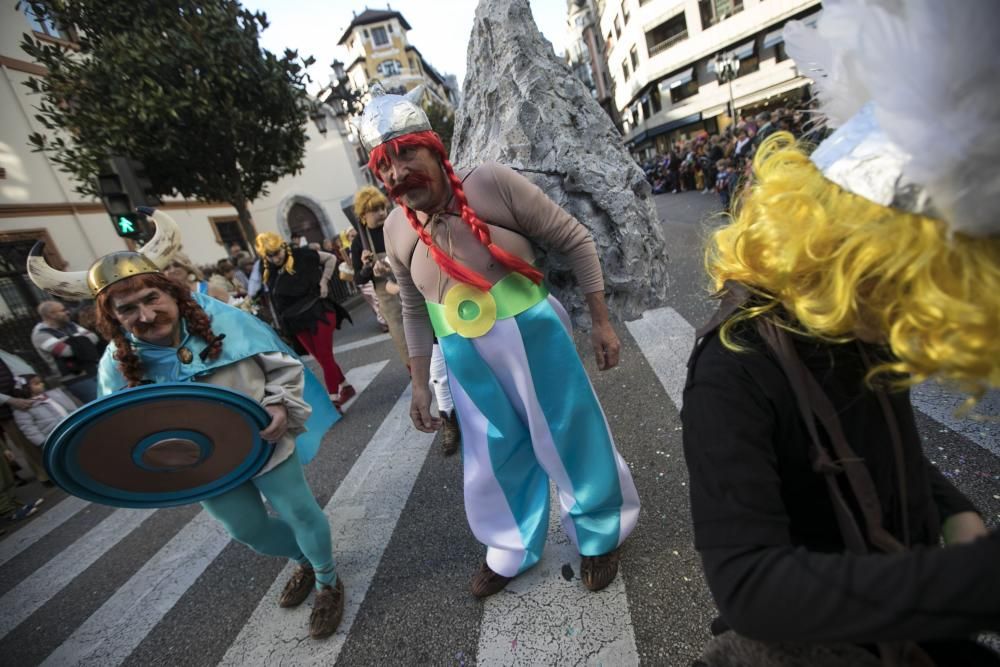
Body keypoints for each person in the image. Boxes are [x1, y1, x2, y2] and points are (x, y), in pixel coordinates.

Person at [683, 4, 1000, 665]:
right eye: (906, 286)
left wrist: (954, 507)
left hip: (904, 610)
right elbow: (749, 584)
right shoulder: (732, 365)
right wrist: (972, 583)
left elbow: (885, 450)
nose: (914, 315)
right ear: (854, 257)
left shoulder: (860, 321)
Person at [361, 86, 640, 597]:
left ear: (435, 147)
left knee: (568, 430)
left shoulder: (489, 183)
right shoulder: (396, 227)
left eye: (407, 154)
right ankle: (511, 545)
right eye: (384, 165)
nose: (397, 172)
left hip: (534, 335)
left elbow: (574, 239)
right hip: (464, 355)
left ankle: (601, 531)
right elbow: (413, 305)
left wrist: (602, 323)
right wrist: (420, 383)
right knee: (493, 452)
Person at [26, 208, 345, 640]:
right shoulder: (116, 364)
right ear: (114, 318)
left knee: (300, 511)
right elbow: (116, 429)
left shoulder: (224, 321)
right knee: (247, 530)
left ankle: (327, 580)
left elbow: (282, 365)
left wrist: (280, 406)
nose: (144, 314)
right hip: (202, 463)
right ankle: (304, 559)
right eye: (128, 309)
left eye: (151, 299)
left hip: (263, 441)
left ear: (171, 294)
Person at [255, 233, 355, 409]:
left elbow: (331, 259)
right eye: (270, 255)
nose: (275, 258)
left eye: (277, 252)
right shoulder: (269, 272)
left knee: (325, 356)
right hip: (296, 321)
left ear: (282, 247)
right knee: (322, 360)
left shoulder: (302, 254)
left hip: (318, 310)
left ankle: (333, 399)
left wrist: (324, 281)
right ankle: (346, 386)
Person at [351, 186, 409, 365]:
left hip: (411, 287)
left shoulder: (397, 226)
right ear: (363, 215)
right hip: (390, 302)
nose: (382, 212)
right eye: (375, 210)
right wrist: (367, 267)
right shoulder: (360, 242)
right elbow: (359, 279)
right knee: (405, 343)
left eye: (382, 207)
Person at [31, 301, 101, 404]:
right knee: (99, 405)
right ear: (51, 314)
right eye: (63, 310)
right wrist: (81, 340)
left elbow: (94, 338)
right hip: (76, 378)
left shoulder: (70, 325)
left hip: (94, 369)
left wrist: (70, 341)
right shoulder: (40, 335)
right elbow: (66, 351)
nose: (67, 312)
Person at [12, 374, 78, 453]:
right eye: (37, 384)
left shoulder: (54, 395)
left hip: (75, 428)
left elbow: (71, 408)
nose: (42, 384)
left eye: (41, 382)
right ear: (25, 388)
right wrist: (44, 443)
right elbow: (29, 429)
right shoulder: (23, 409)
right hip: (57, 439)